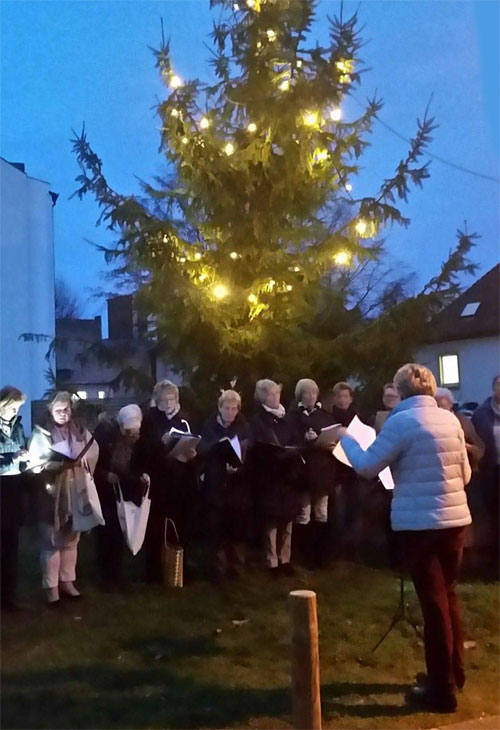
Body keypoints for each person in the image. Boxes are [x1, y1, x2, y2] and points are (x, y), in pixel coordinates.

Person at [339, 363, 472, 713]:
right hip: (456, 521)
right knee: (450, 596)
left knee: (434, 605)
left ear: (400, 391)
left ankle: (442, 693)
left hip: (420, 525)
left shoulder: (401, 421)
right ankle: (454, 672)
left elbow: (367, 466)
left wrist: (344, 440)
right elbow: (467, 475)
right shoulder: (450, 419)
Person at [36, 392, 99, 605]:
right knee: (52, 540)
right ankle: (51, 588)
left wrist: (83, 461)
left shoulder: (79, 430)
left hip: (76, 487)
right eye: (59, 410)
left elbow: (92, 450)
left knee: (72, 539)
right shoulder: (42, 433)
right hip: (53, 491)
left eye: (66, 409)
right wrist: (56, 464)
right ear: (50, 411)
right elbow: (36, 462)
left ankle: (67, 582)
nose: (63, 414)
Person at [135, 379, 197, 583]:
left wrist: (192, 452)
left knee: (180, 524)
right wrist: (160, 446)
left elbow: (193, 439)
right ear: (157, 400)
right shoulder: (149, 420)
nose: (168, 403)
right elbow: (142, 451)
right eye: (164, 399)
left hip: (181, 480)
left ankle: (179, 567)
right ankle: (153, 570)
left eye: (172, 399)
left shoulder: (184, 419)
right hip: (159, 480)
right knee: (155, 526)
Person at [249, 379, 303, 575]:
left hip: (288, 473)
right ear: (262, 397)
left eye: (277, 393)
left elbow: (296, 439)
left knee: (287, 518)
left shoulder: (287, 418)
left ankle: (285, 559)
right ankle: (271, 561)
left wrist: (294, 451)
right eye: (270, 394)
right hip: (269, 475)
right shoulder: (258, 420)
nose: (274, 397)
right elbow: (256, 447)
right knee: (271, 519)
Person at [93, 404, 150, 589]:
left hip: (121, 492)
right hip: (105, 491)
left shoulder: (133, 440)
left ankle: (116, 573)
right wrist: (105, 475)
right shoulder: (106, 436)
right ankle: (106, 575)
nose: (134, 436)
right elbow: (93, 462)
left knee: (119, 532)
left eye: (136, 432)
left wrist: (138, 476)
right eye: (130, 432)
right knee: (106, 532)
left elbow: (133, 464)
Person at [198, 390, 252, 582]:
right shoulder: (209, 426)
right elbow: (202, 448)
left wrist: (238, 467)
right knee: (216, 527)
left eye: (234, 409)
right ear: (219, 408)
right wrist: (216, 446)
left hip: (237, 485)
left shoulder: (244, 426)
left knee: (236, 527)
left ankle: (237, 567)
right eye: (226, 408)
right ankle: (218, 569)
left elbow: (248, 451)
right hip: (215, 484)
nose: (230, 412)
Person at [288, 378, 338, 567]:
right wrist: (305, 439)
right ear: (300, 395)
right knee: (304, 513)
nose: (310, 396)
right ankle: (304, 555)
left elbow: (332, 433)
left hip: (323, 469)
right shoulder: (293, 415)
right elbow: (289, 438)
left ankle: (321, 555)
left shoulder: (325, 415)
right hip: (303, 470)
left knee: (322, 512)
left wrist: (326, 439)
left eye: (313, 393)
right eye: (306, 393)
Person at [0, 386, 29, 611]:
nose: (15, 410)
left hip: (14, 489)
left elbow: (22, 452)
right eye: (12, 406)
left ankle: (9, 597)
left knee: (12, 546)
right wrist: (12, 459)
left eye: (18, 407)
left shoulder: (17, 427)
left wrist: (27, 460)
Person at [471, 375, 500, 573]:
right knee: (494, 518)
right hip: (492, 472)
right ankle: (495, 563)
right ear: (493, 388)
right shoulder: (482, 414)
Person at [435, 388, 484, 471]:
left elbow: (479, 450)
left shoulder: (462, 422)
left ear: (450, 404)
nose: (437, 409)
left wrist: (463, 445)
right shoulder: (430, 423)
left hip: (462, 472)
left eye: (440, 405)